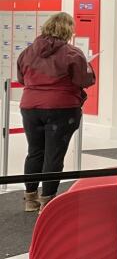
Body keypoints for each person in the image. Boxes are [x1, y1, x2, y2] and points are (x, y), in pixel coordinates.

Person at [16, 12, 95, 214]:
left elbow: (22, 79)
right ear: (68, 30)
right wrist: (89, 66)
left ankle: (30, 198)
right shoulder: (72, 54)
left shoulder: (27, 52)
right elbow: (84, 80)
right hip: (61, 109)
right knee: (54, 155)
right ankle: (47, 201)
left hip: (30, 108)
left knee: (35, 151)